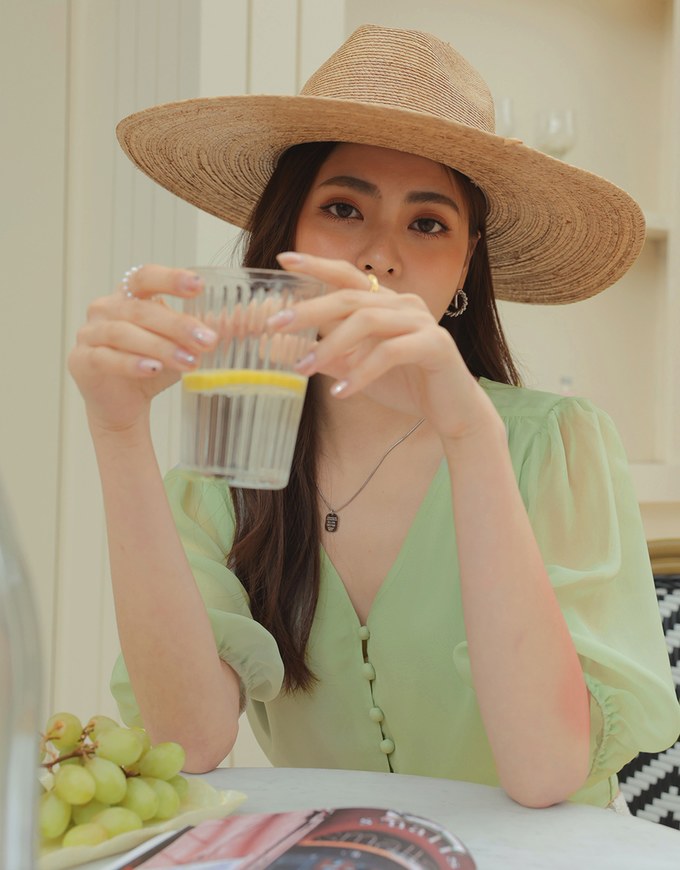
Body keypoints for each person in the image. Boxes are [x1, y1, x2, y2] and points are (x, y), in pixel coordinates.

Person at [69, 24, 680, 810]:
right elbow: (189, 742)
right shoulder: (228, 467)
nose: (379, 256)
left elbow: (544, 774)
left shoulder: (556, 445)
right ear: (285, 232)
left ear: (465, 265)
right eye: (343, 207)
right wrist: (117, 435)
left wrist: (468, 433)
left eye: (428, 223)